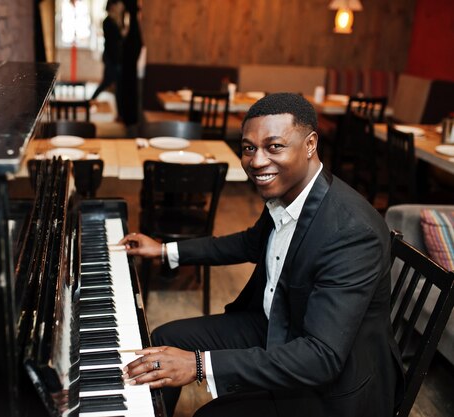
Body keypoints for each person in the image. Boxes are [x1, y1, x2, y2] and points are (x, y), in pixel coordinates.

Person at [118, 93, 403, 417]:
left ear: (310, 144)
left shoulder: (351, 231)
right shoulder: (289, 196)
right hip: (278, 324)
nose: (256, 160)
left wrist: (198, 364)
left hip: (335, 385)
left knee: (207, 415)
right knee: (166, 339)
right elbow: (248, 243)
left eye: (274, 146)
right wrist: (165, 249)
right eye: (249, 148)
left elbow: (322, 356)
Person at [91, 0, 127, 116]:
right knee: (110, 83)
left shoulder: (115, 21)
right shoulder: (108, 21)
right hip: (112, 58)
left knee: (112, 84)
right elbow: (113, 42)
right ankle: (90, 101)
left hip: (114, 57)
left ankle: (90, 101)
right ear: (112, 6)